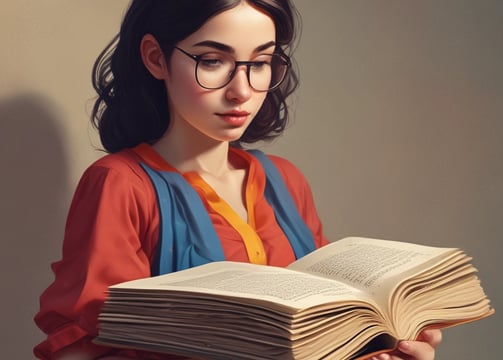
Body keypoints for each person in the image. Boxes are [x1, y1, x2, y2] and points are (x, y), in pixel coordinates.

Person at [34, 1, 442, 359]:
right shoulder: (120, 184)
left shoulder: (285, 180)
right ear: (156, 58)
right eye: (212, 61)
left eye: (260, 63)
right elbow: (79, 348)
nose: (241, 91)